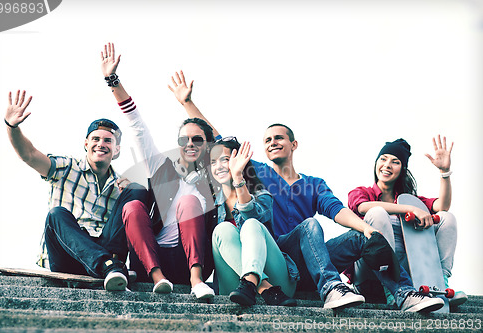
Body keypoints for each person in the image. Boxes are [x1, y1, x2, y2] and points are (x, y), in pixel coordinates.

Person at [168, 71, 446, 312]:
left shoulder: (314, 183)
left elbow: (338, 211)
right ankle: (331, 288)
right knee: (309, 226)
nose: (272, 143)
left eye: (279, 138)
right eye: (267, 140)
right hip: (276, 253)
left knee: (367, 236)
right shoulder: (259, 173)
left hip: (312, 255)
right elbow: (220, 142)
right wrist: (187, 103)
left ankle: (404, 294)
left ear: (294, 144)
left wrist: (368, 231)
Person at [101, 43, 215, 299]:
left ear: (207, 146)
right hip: (152, 258)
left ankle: (196, 280)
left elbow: (225, 141)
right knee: (131, 207)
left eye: (197, 140)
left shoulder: (215, 175)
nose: (190, 144)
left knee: (189, 201)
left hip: (188, 261)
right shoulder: (162, 167)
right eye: (184, 139)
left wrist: (188, 104)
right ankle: (158, 279)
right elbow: (137, 125)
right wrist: (112, 80)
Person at [5, 90, 148, 291]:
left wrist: (131, 191)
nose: (101, 144)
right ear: (86, 144)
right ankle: (109, 266)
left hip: (103, 249)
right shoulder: (65, 167)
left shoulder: (120, 186)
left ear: (116, 150)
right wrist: (12, 126)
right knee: (56, 214)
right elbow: (29, 155)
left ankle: (113, 266)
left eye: (108, 141)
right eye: (96, 139)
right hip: (67, 256)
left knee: (137, 191)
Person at [348, 137, 467, 306]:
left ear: (402, 169)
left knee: (447, 218)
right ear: (376, 163)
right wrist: (408, 210)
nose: (387, 165)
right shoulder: (361, 192)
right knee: (378, 213)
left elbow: (443, 205)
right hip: (370, 271)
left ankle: (439, 283)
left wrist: (445, 173)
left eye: (395, 162)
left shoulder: (410, 200)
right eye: (383, 159)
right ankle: (394, 290)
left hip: (405, 271)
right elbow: (362, 207)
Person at [210, 137, 297, 306]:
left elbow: (253, 217)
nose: (218, 166)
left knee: (250, 224)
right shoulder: (210, 205)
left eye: (225, 160)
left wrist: (237, 178)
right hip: (236, 287)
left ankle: (253, 281)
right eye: (213, 162)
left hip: (278, 282)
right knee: (222, 229)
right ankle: (263, 287)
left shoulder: (262, 196)